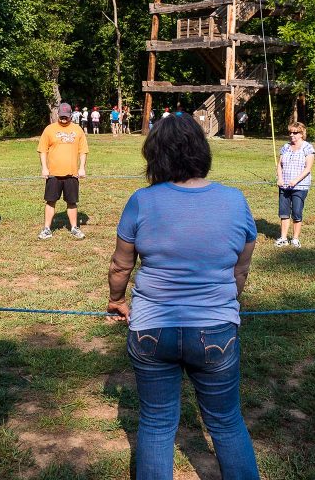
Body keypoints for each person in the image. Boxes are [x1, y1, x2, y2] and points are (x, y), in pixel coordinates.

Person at [107, 114, 260, 480]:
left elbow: (120, 266)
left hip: (150, 331)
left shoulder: (141, 201)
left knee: (157, 425)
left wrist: (115, 299)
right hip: (216, 331)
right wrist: (227, 304)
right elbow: (241, 269)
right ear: (201, 151)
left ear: (155, 156)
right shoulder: (235, 201)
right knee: (225, 422)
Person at [37, 103, 89, 240]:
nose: (64, 119)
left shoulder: (78, 130)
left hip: (72, 174)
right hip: (53, 174)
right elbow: (43, 150)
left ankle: (74, 228)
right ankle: (47, 228)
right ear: (58, 115)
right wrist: (44, 168)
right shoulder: (49, 129)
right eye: (61, 116)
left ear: (71, 115)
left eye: (66, 116)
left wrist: (82, 168)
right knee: (50, 201)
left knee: (72, 202)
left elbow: (83, 150)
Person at [275, 122, 315, 248]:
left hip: (300, 186)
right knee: (284, 212)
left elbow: (308, 168)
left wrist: (296, 180)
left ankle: (295, 239)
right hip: (284, 186)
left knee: (297, 212)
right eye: (290, 132)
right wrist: (280, 178)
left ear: (302, 134)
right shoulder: (285, 147)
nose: (292, 135)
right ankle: (283, 238)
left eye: (295, 132)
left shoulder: (308, 148)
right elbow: (279, 165)